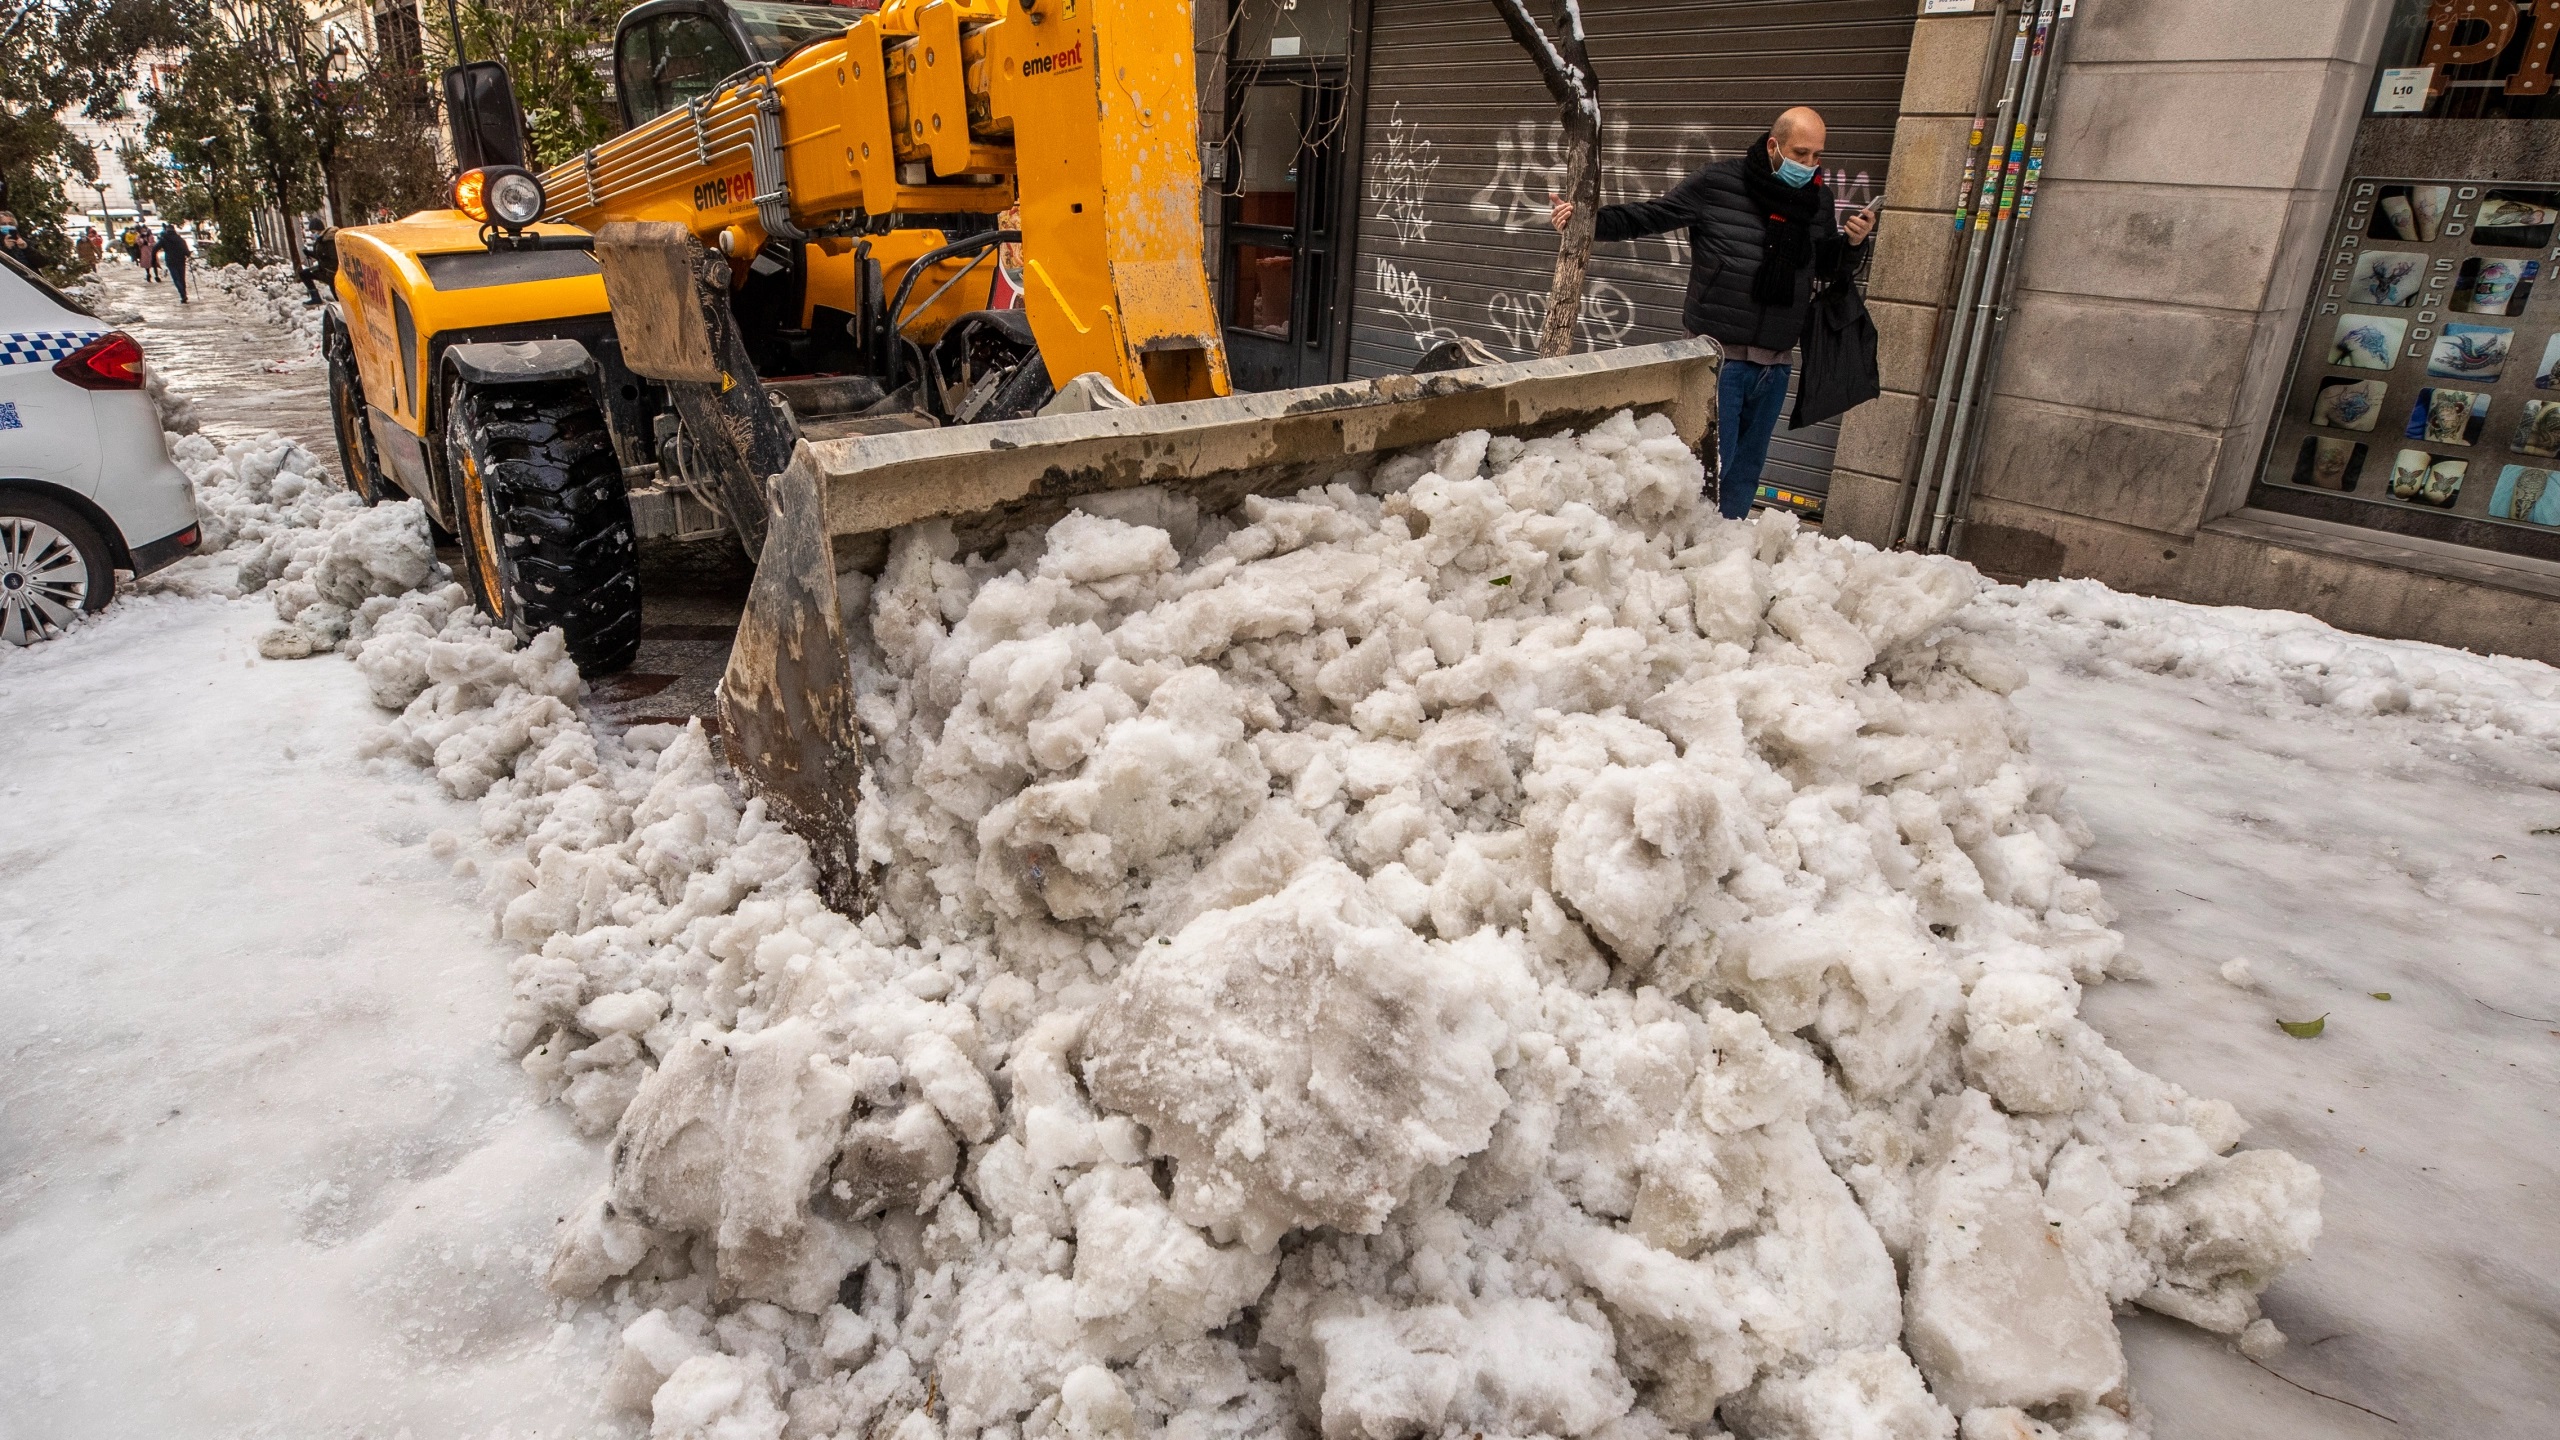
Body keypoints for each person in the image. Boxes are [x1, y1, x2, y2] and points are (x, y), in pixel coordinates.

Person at [1553, 106, 1874, 520]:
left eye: (1817, 156)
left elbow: (1823, 267)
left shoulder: (1816, 199)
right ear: (1774, 145)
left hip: (1773, 366)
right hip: (1717, 360)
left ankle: (1724, 553)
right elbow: (1652, 216)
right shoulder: (1719, 183)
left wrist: (1851, 245)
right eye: (1800, 153)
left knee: (1745, 472)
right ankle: (1685, 553)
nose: (1810, 165)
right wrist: (1587, 220)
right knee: (1705, 472)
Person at [158, 221, 191, 303]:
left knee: (176, 279)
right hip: (181, 260)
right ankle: (184, 293)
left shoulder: (163, 239)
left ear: (166, 230)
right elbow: (186, 251)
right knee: (182, 278)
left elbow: (155, 248)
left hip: (170, 261)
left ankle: (182, 294)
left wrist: (153, 259)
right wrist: (188, 254)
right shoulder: (180, 239)